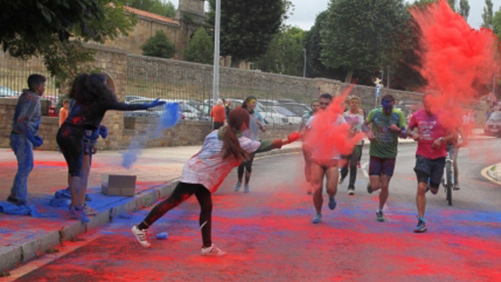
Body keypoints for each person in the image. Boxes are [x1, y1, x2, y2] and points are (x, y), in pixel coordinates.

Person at [131, 108, 299, 256]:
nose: (248, 125)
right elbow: (264, 145)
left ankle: (207, 246)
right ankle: (141, 227)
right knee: (173, 201)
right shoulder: (241, 142)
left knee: (206, 207)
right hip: (197, 174)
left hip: (197, 172)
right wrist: (288, 140)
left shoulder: (216, 133)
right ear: (242, 124)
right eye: (247, 123)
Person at [57, 73, 165, 222]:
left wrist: (97, 130)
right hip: (76, 135)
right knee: (78, 172)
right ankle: (76, 207)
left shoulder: (81, 99)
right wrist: (148, 105)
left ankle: (79, 204)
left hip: (67, 133)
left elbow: (85, 119)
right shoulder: (101, 102)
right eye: (105, 84)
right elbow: (125, 106)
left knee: (79, 170)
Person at [409, 94, 455, 233]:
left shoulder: (445, 116)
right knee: (421, 187)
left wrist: (441, 139)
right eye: (425, 104)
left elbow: (454, 135)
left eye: (431, 104)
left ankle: (433, 184)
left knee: (434, 190)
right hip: (422, 155)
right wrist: (413, 134)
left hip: (439, 156)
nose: (428, 107)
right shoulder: (417, 115)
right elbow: (408, 129)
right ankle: (421, 221)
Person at [304, 93, 346, 224]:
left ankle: (332, 197)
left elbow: (346, 135)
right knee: (317, 188)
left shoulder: (339, 119)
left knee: (331, 189)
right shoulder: (312, 120)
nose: (322, 106)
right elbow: (306, 139)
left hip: (332, 160)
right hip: (317, 159)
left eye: (326, 104)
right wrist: (307, 159)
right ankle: (318, 213)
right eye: (321, 103)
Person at [365, 94, 407, 222]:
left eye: (389, 108)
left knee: (385, 185)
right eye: (385, 108)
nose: (387, 111)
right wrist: (369, 133)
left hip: (390, 155)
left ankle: (380, 210)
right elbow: (363, 125)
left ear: (393, 104)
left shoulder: (398, 115)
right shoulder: (374, 113)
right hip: (375, 154)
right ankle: (371, 185)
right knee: (375, 186)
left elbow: (404, 134)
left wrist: (398, 129)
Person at [7, 74, 46, 206]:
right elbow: (23, 121)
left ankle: (15, 193)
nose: (44, 88)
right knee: (26, 166)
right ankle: (18, 196)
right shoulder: (32, 100)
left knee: (26, 166)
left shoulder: (25, 97)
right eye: (43, 85)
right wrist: (31, 137)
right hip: (21, 136)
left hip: (20, 135)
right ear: (38, 86)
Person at [235, 96, 266, 193]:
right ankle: (239, 181)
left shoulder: (258, 115)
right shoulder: (241, 114)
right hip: (242, 141)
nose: (254, 104)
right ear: (247, 103)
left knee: (248, 164)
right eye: (252, 102)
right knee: (240, 164)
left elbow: (264, 130)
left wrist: (261, 125)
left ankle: (246, 184)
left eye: (255, 103)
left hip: (253, 142)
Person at [340, 95, 368, 195]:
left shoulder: (361, 115)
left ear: (359, 104)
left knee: (353, 164)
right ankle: (342, 176)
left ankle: (351, 186)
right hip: (346, 142)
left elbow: (364, 126)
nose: (354, 104)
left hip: (357, 142)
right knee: (344, 163)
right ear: (350, 103)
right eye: (352, 102)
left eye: (356, 103)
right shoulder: (344, 114)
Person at [300, 100, 320, 195]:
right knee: (308, 163)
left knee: (316, 164)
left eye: (317, 105)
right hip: (308, 143)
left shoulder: (323, 117)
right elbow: (301, 129)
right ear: (311, 106)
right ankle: (308, 182)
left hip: (319, 144)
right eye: (314, 105)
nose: (316, 107)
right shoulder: (306, 117)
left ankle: (315, 182)